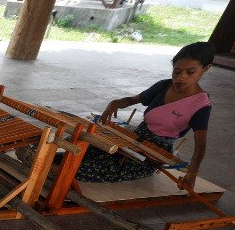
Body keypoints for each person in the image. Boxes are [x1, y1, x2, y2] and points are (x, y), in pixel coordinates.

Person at [78, 41, 214, 188]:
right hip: (131, 140)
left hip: (151, 155)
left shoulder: (200, 105)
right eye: (177, 71)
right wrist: (115, 102)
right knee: (79, 153)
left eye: (190, 72)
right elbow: (132, 100)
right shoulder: (164, 86)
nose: (181, 77)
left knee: (84, 169)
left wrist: (192, 173)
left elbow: (201, 145)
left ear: (205, 69)